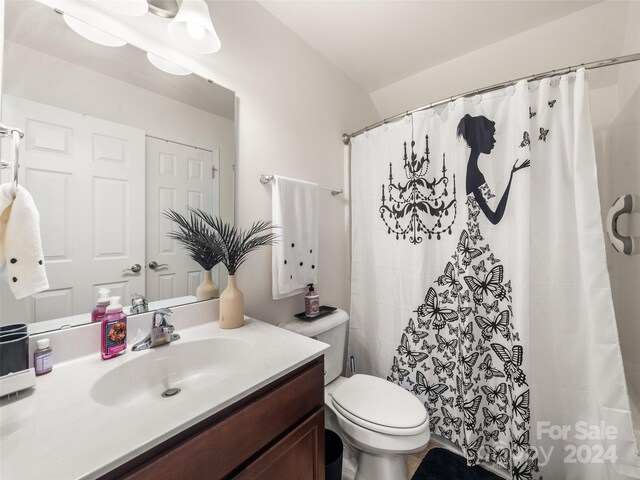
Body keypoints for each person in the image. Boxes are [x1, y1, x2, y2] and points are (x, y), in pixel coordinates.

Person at [457, 114, 530, 225]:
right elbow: (494, 218)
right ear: (480, 138)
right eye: (491, 135)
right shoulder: (475, 174)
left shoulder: (473, 169)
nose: (494, 140)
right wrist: (511, 176)